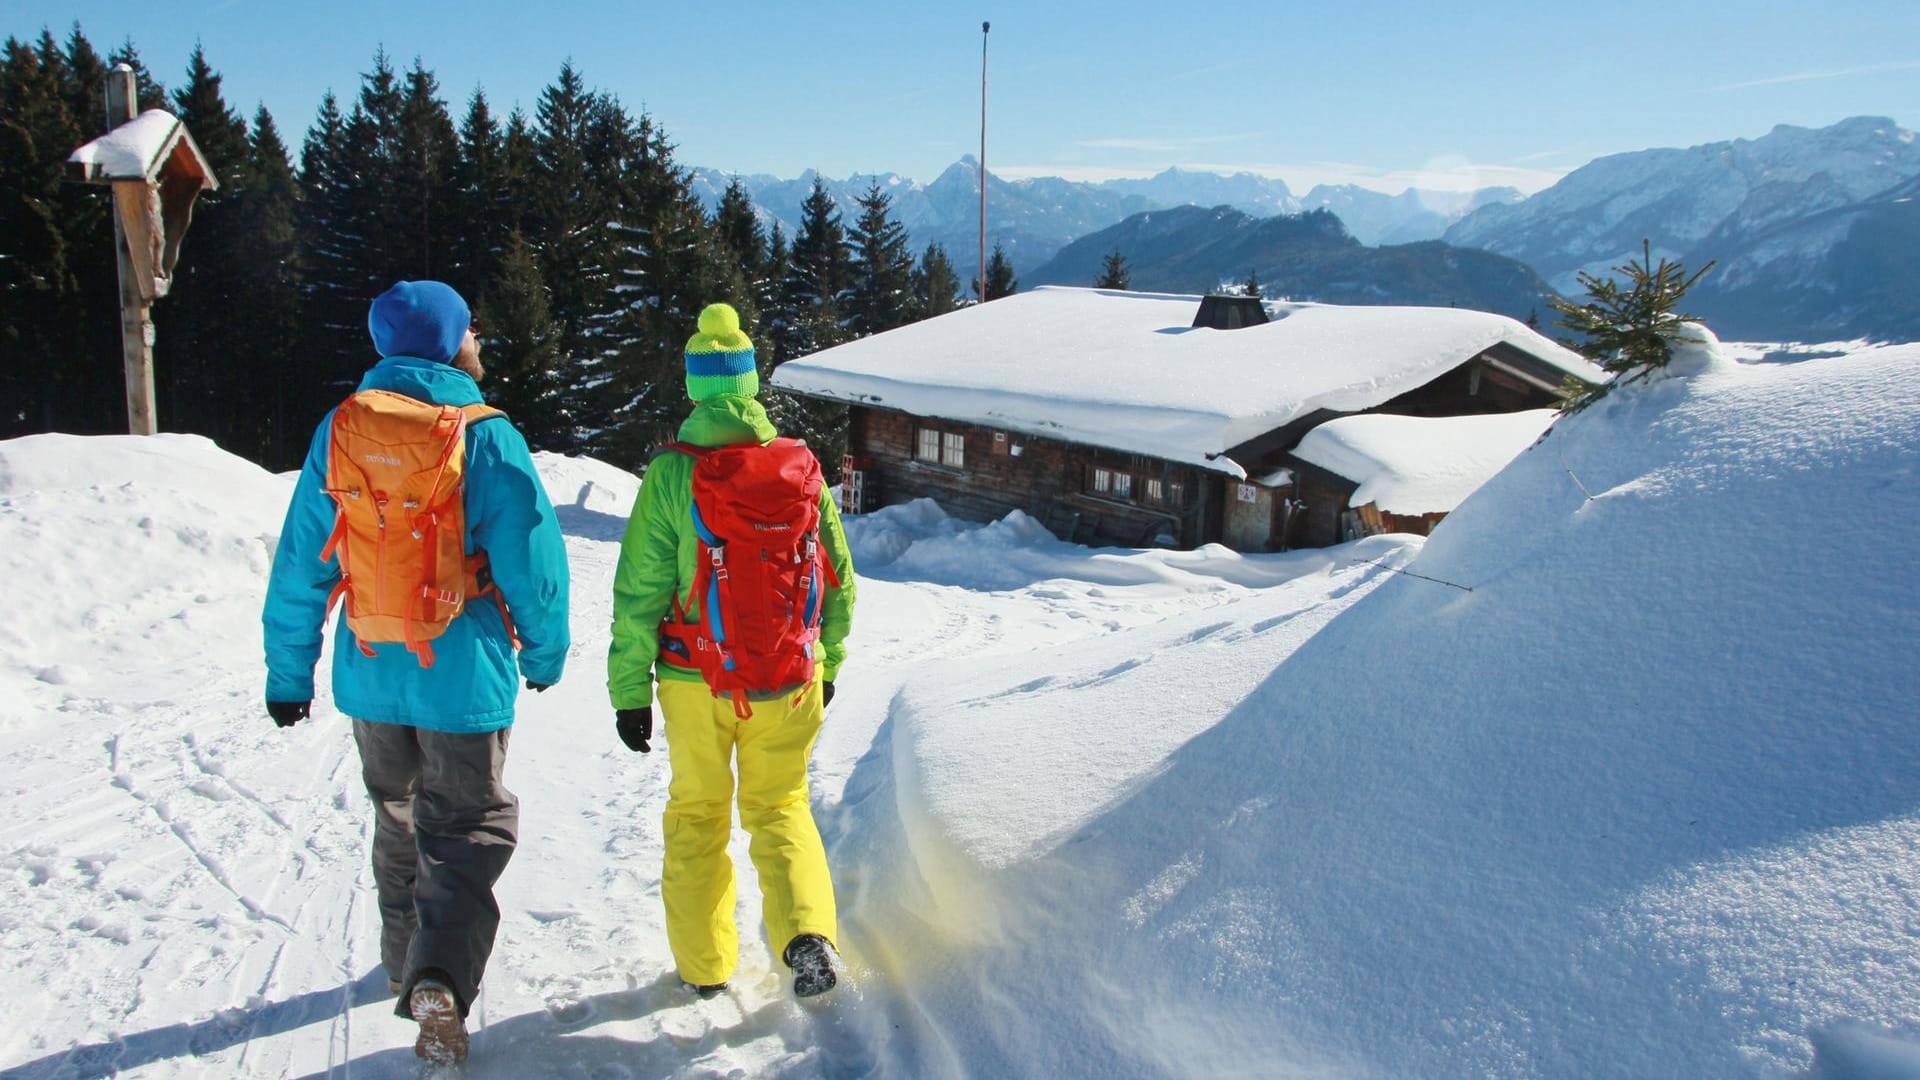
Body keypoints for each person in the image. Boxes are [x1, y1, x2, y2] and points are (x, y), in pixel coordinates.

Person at [262, 280, 570, 1065]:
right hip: (462, 678)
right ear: (452, 342)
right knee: (465, 828)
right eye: (472, 330)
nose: (479, 342)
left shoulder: (339, 429)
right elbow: (531, 561)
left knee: (395, 814)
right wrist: (543, 652)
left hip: (370, 670)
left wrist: (288, 673)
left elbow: (302, 560)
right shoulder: (486, 433)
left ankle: (404, 956)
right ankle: (437, 981)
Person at [608, 302, 856, 998]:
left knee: (698, 815)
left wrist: (630, 691)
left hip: (697, 681)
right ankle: (807, 936)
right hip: (788, 675)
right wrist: (827, 664)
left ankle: (705, 969)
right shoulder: (799, 469)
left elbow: (638, 596)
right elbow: (839, 582)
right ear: (748, 385)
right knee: (782, 808)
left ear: (695, 387)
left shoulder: (672, 475)